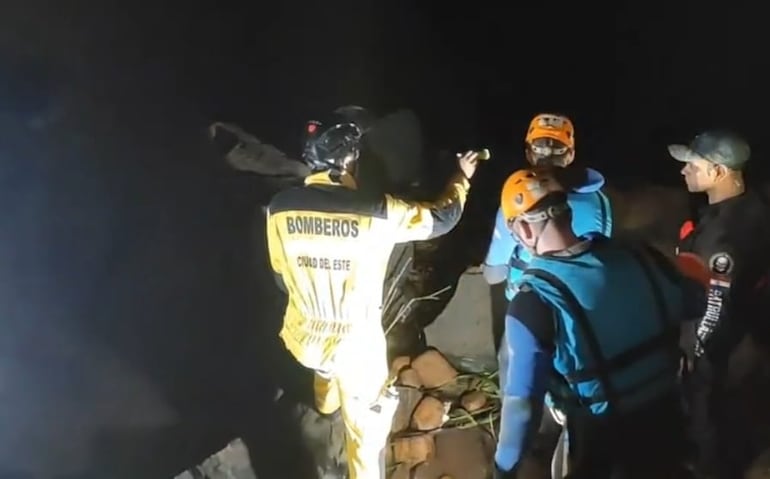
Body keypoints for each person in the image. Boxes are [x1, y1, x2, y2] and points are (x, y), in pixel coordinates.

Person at [265, 105, 480, 479]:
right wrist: (461, 177)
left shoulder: (279, 208)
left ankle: (325, 401)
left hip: (304, 341)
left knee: (325, 369)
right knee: (366, 439)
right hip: (356, 352)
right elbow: (443, 217)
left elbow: (281, 277)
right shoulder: (377, 211)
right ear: (350, 159)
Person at [492, 167, 701, 478]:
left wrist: (502, 470)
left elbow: (522, 406)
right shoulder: (642, 254)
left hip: (605, 442)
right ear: (567, 212)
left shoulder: (534, 301)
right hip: (669, 421)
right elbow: (695, 300)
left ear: (523, 229)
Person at [669, 130, 770, 478]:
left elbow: (716, 306)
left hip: (721, 353)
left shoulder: (723, 238)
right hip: (751, 341)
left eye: (692, 165)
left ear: (719, 172)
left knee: (709, 429)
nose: (684, 171)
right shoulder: (752, 207)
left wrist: (694, 354)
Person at [482, 113, 612, 305]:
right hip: (587, 301)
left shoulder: (518, 201)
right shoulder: (600, 200)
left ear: (529, 153)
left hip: (531, 303)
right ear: (570, 155)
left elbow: (494, 275)